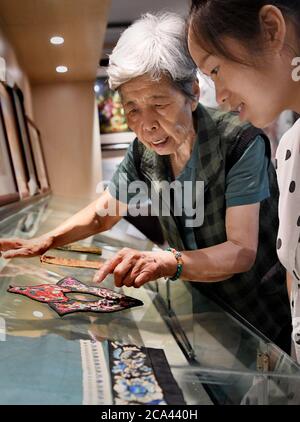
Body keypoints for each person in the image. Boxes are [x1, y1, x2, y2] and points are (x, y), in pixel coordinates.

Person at [0, 13, 291, 352]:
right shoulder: (143, 152)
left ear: (193, 93)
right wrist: (47, 239)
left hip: (261, 315)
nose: (147, 125)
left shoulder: (240, 143)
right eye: (133, 109)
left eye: (159, 104)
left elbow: (241, 251)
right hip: (206, 312)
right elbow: (104, 213)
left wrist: (168, 261)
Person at [188, 0, 300, 361]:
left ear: (270, 29)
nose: (218, 96)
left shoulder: (244, 142)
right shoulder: (290, 147)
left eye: (216, 69)